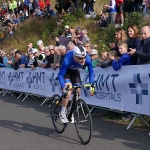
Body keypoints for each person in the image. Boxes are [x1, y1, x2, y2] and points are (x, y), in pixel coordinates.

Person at [58, 45, 94, 123]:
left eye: (84, 57)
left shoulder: (87, 59)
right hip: (66, 72)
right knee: (68, 91)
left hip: (75, 71)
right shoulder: (67, 60)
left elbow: (91, 72)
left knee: (78, 91)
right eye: (81, 58)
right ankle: (63, 112)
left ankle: (70, 110)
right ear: (75, 57)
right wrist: (63, 87)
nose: (83, 60)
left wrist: (91, 85)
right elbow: (60, 75)